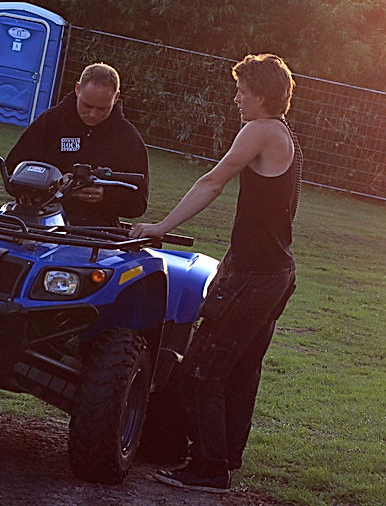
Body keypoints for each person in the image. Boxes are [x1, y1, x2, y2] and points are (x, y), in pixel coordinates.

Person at [131, 53, 301, 494]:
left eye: (242, 91)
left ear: (261, 95)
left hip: (254, 277)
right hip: (274, 273)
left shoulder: (259, 130)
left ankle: (209, 468)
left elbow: (212, 181)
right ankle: (223, 460)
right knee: (242, 372)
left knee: (204, 371)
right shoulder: (283, 134)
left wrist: (160, 227)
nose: (236, 98)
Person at [6, 62, 148, 227]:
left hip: (95, 230)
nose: (93, 114)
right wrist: (55, 184)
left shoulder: (127, 138)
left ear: (115, 98)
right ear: (77, 89)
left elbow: (139, 202)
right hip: (40, 221)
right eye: (87, 105)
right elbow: (12, 172)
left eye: (102, 109)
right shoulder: (50, 122)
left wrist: (105, 195)